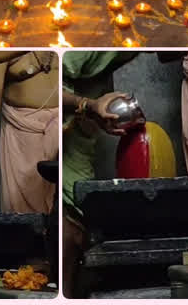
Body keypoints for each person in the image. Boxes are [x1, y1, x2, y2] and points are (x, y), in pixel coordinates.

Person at [61, 51, 139, 298]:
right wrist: (88, 105)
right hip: (58, 136)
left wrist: (99, 114)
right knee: (69, 223)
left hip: (83, 139)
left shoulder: (131, 44)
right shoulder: (88, 46)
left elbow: (98, 80)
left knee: (79, 221)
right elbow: (47, 87)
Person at [0, 52, 58, 214]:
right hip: (21, 135)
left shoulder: (61, 40)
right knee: (21, 211)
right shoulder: (1, 48)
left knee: (63, 210)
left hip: (63, 131)